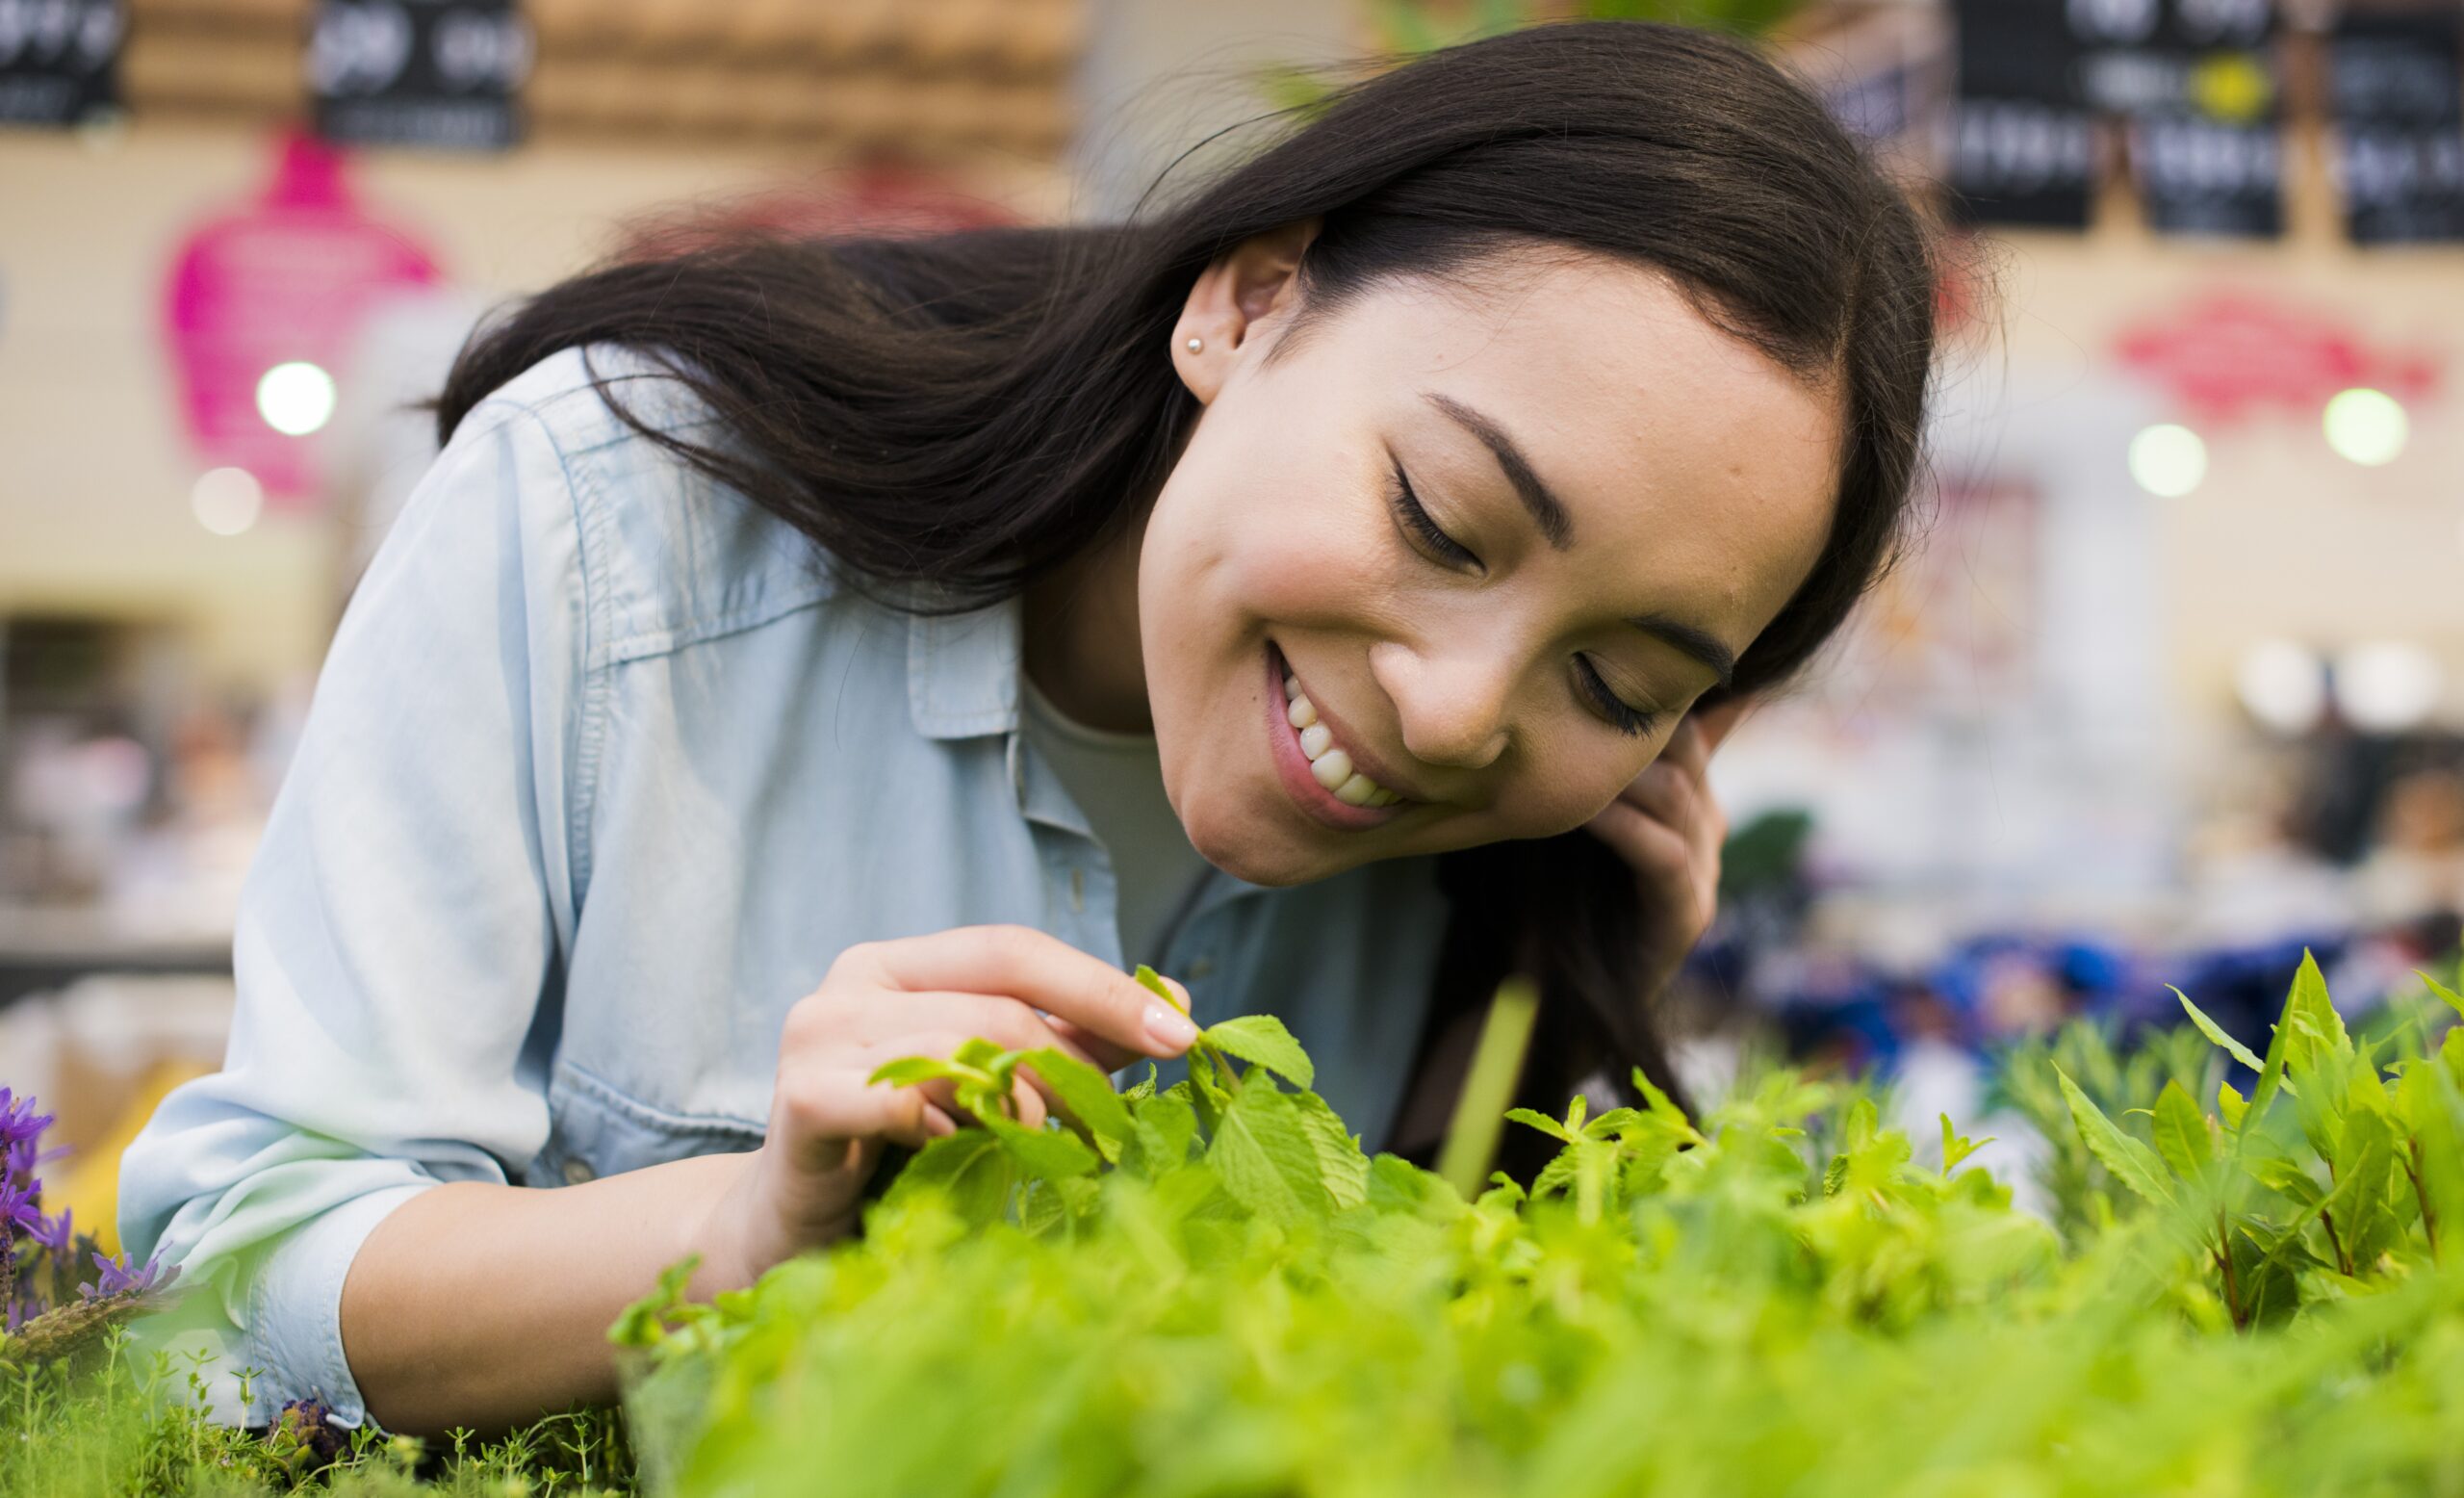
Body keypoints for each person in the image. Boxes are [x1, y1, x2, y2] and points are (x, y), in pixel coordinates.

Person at [116, 20, 1936, 1440]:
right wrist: (745, 1235)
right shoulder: (614, 510)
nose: (1458, 714)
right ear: (1250, 302)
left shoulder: (1510, 879)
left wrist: (1556, 1032)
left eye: (1617, 683)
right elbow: (228, 1280)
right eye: (1442, 522)